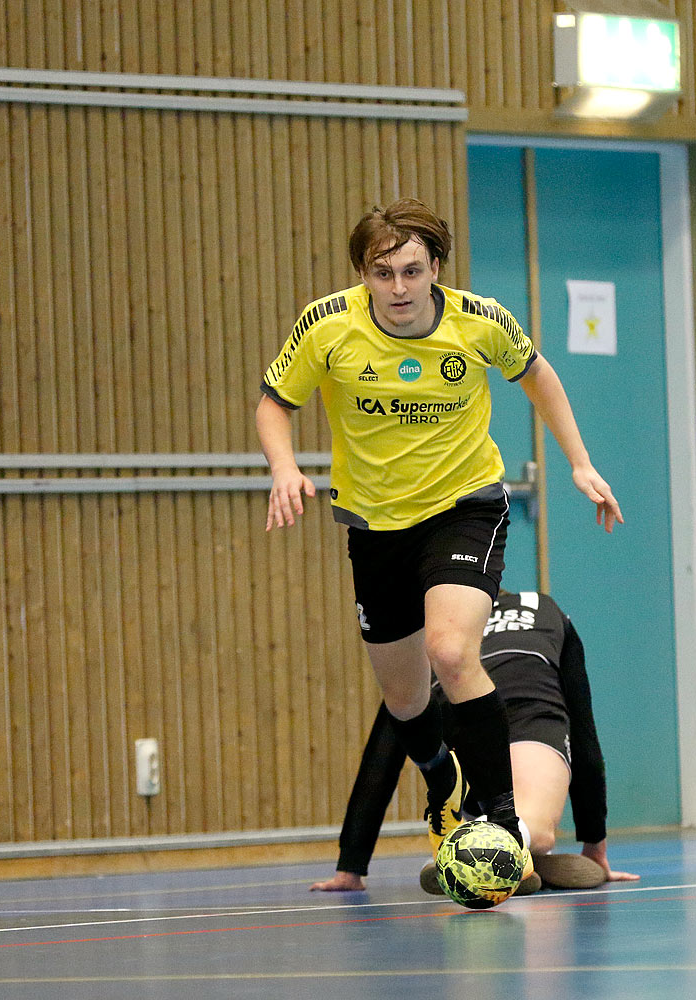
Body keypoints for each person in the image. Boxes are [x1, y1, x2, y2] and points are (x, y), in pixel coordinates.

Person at [257, 198, 621, 873]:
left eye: (411, 272)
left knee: (453, 651)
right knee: (405, 696)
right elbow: (275, 403)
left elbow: (538, 376)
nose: (397, 289)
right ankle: (441, 777)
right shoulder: (327, 327)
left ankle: (500, 820)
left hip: (464, 505)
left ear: (436, 271)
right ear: (363, 274)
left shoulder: (480, 323)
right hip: (374, 523)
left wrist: (580, 461)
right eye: (382, 273)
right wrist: (284, 467)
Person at [308, 589, 640, 894]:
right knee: (534, 824)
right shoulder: (542, 607)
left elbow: (385, 749)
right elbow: (583, 732)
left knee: (523, 819)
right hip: (529, 726)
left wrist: (351, 866)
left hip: (483, 737)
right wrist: (594, 845)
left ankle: (467, 852)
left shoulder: (429, 634)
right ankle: (500, 851)